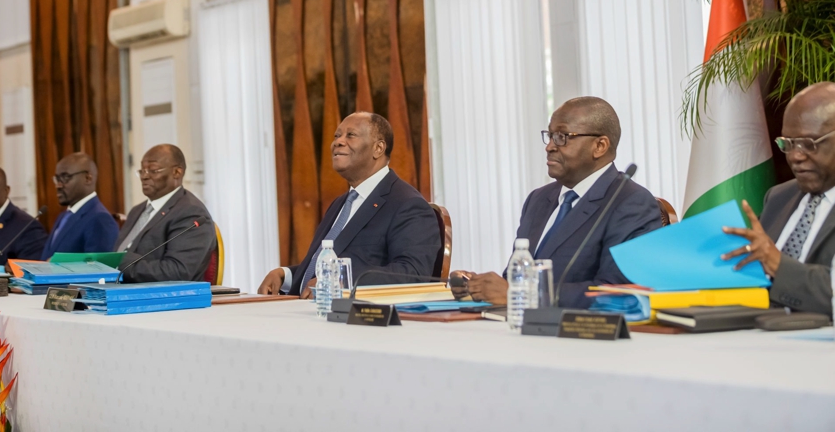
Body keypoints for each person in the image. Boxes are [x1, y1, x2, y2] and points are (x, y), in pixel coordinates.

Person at [452, 97, 663, 308]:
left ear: (599, 146)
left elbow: (617, 291)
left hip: (579, 327)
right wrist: (479, 287)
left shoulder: (631, 203)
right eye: (550, 136)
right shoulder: (538, 199)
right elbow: (516, 277)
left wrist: (522, 294)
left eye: (562, 137)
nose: (550, 147)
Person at [257, 112, 441, 298]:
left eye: (350, 135)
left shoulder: (408, 205)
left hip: (354, 314)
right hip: (301, 307)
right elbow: (327, 267)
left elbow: (413, 273)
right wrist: (285, 275)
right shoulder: (340, 203)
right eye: (337, 136)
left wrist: (343, 282)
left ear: (378, 148)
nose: (338, 142)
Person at [722, 82, 835, 316]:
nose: (795, 156)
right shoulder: (779, 197)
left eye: (809, 144)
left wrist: (778, 265)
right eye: (788, 143)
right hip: (755, 326)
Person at [113, 144, 215, 283]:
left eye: (153, 170)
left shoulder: (191, 213)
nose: (144, 176)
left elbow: (177, 271)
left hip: (159, 294)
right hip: (115, 288)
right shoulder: (137, 211)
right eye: (142, 171)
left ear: (177, 172)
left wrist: (122, 262)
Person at [41, 152, 120, 260]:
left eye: (65, 177)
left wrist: (57, 265)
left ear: (88, 178)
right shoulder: (63, 216)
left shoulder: (100, 219)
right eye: (57, 179)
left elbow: (99, 267)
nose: (58, 185)